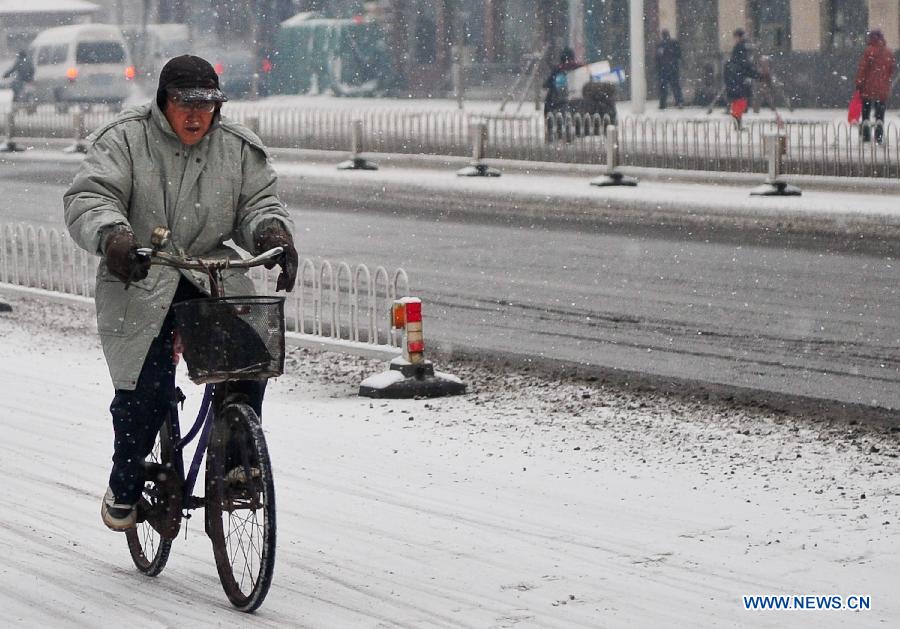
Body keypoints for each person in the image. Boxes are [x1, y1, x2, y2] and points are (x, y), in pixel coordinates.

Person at [63, 55, 298, 532]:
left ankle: (238, 462)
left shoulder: (236, 148)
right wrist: (115, 239)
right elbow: (91, 198)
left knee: (248, 362)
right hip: (141, 276)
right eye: (184, 104)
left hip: (210, 275)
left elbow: (260, 203)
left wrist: (273, 234)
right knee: (144, 390)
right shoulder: (125, 140)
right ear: (162, 102)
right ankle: (125, 483)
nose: (195, 116)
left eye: (206, 105)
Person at [854, 29, 895, 143]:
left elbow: (863, 69)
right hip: (882, 89)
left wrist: (859, 83)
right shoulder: (888, 52)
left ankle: (866, 135)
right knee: (880, 114)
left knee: (866, 113)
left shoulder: (869, 51)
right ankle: (879, 135)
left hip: (868, 88)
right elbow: (891, 69)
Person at [543, 47, 581, 141]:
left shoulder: (557, 70)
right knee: (568, 118)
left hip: (555, 102)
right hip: (572, 102)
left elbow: (546, 84)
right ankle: (568, 136)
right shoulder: (578, 68)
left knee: (554, 118)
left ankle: (553, 136)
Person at [724, 28, 759, 125]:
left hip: (737, 77)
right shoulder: (742, 48)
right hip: (739, 77)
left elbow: (741, 63)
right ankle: (737, 119)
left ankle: (737, 119)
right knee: (740, 100)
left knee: (739, 100)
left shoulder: (739, 48)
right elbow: (745, 64)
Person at [655, 29, 683, 109]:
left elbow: (657, 57)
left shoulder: (661, 45)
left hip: (664, 69)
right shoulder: (674, 43)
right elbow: (679, 55)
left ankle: (663, 104)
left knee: (664, 87)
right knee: (675, 86)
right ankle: (679, 102)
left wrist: (658, 67)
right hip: (672, 68)